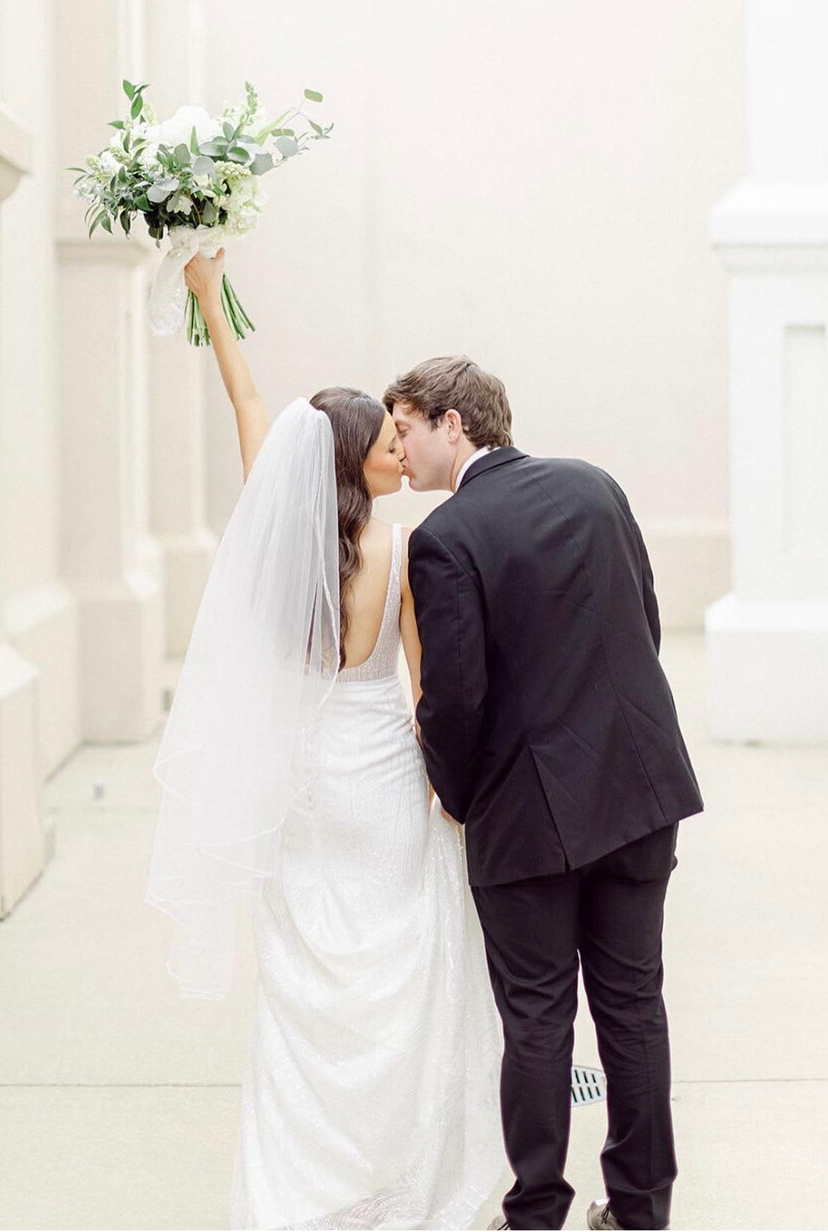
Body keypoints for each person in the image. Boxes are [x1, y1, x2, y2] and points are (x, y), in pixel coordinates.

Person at [146, 260, 504, 1230]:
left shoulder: (280, 519)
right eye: (388, 438)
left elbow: (247, 390)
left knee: (303, 992)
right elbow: (426, 689)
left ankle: (296, 1190)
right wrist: (454, 790)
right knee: (399, 977)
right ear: (356, 458)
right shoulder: (410, 546)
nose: (400, 445)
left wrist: (205, 287)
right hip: (384, 776)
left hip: (301, 786)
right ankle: (396, 1174)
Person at [387, 356, 704, 1232]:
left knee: (536, 1020)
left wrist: (453, 792)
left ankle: (536, 1214)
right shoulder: (596, 486)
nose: (400, 452)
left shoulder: (446, 538)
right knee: (633, 1005)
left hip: (528, 817)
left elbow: (455, 698)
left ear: (455, 424)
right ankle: (641, 1210)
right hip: (640, 790)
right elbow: (643, 620)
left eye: (406, 428)